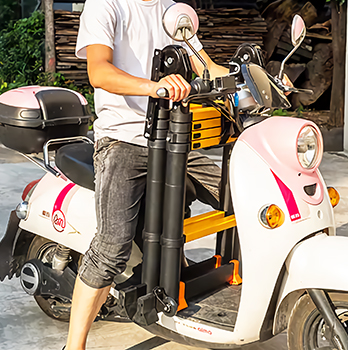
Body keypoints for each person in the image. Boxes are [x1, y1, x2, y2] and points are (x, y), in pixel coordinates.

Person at [65, 0, 229, 349]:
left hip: (174, 138)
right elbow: (99, 71)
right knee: (111, 248)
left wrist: (252, 78)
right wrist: (155, 87)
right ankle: (74, 345)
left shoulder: (173, 10)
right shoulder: (105, 6)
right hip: (122, 140)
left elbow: (206, 66)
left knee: (239, 199)